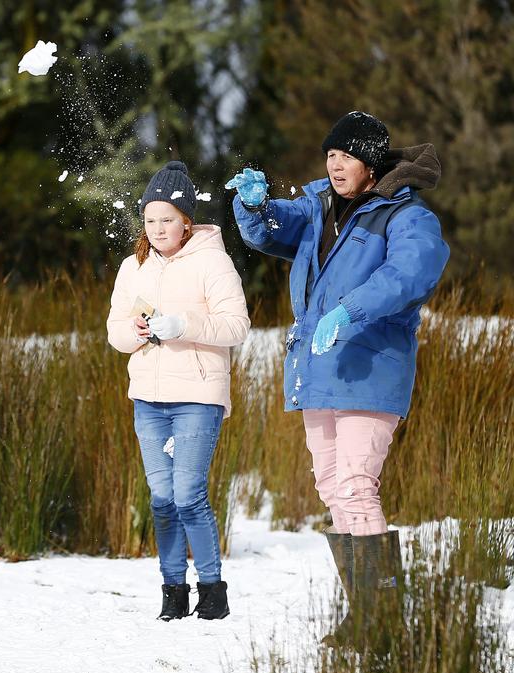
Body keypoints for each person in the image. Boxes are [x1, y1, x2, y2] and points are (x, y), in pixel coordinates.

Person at [226, 111, 449, 645]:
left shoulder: (405, 216)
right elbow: (269, 230)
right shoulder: (316, 206)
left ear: (371, 164)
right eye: (330, 155)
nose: (335, 164)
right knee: (332, 486)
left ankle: (382, 622)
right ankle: (367, 616)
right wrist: (253, 204)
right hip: (318, 369)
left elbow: (413, 271)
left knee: (354, 484)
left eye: (346, 156)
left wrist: (351, 309)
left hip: (370, 367)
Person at [107, 161, 250, 621]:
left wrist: (182, 325)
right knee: (162, 498)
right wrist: (137, 330)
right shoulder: (134, 266)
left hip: (197, 396)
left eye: (167, 219)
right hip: (148, 398)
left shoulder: (213, 260)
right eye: (150, 220)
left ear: (187, 219)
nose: (158, 228)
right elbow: (115, 334)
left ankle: (212, 590)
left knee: (188, 494)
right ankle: (173, 591)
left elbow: (237, 326)